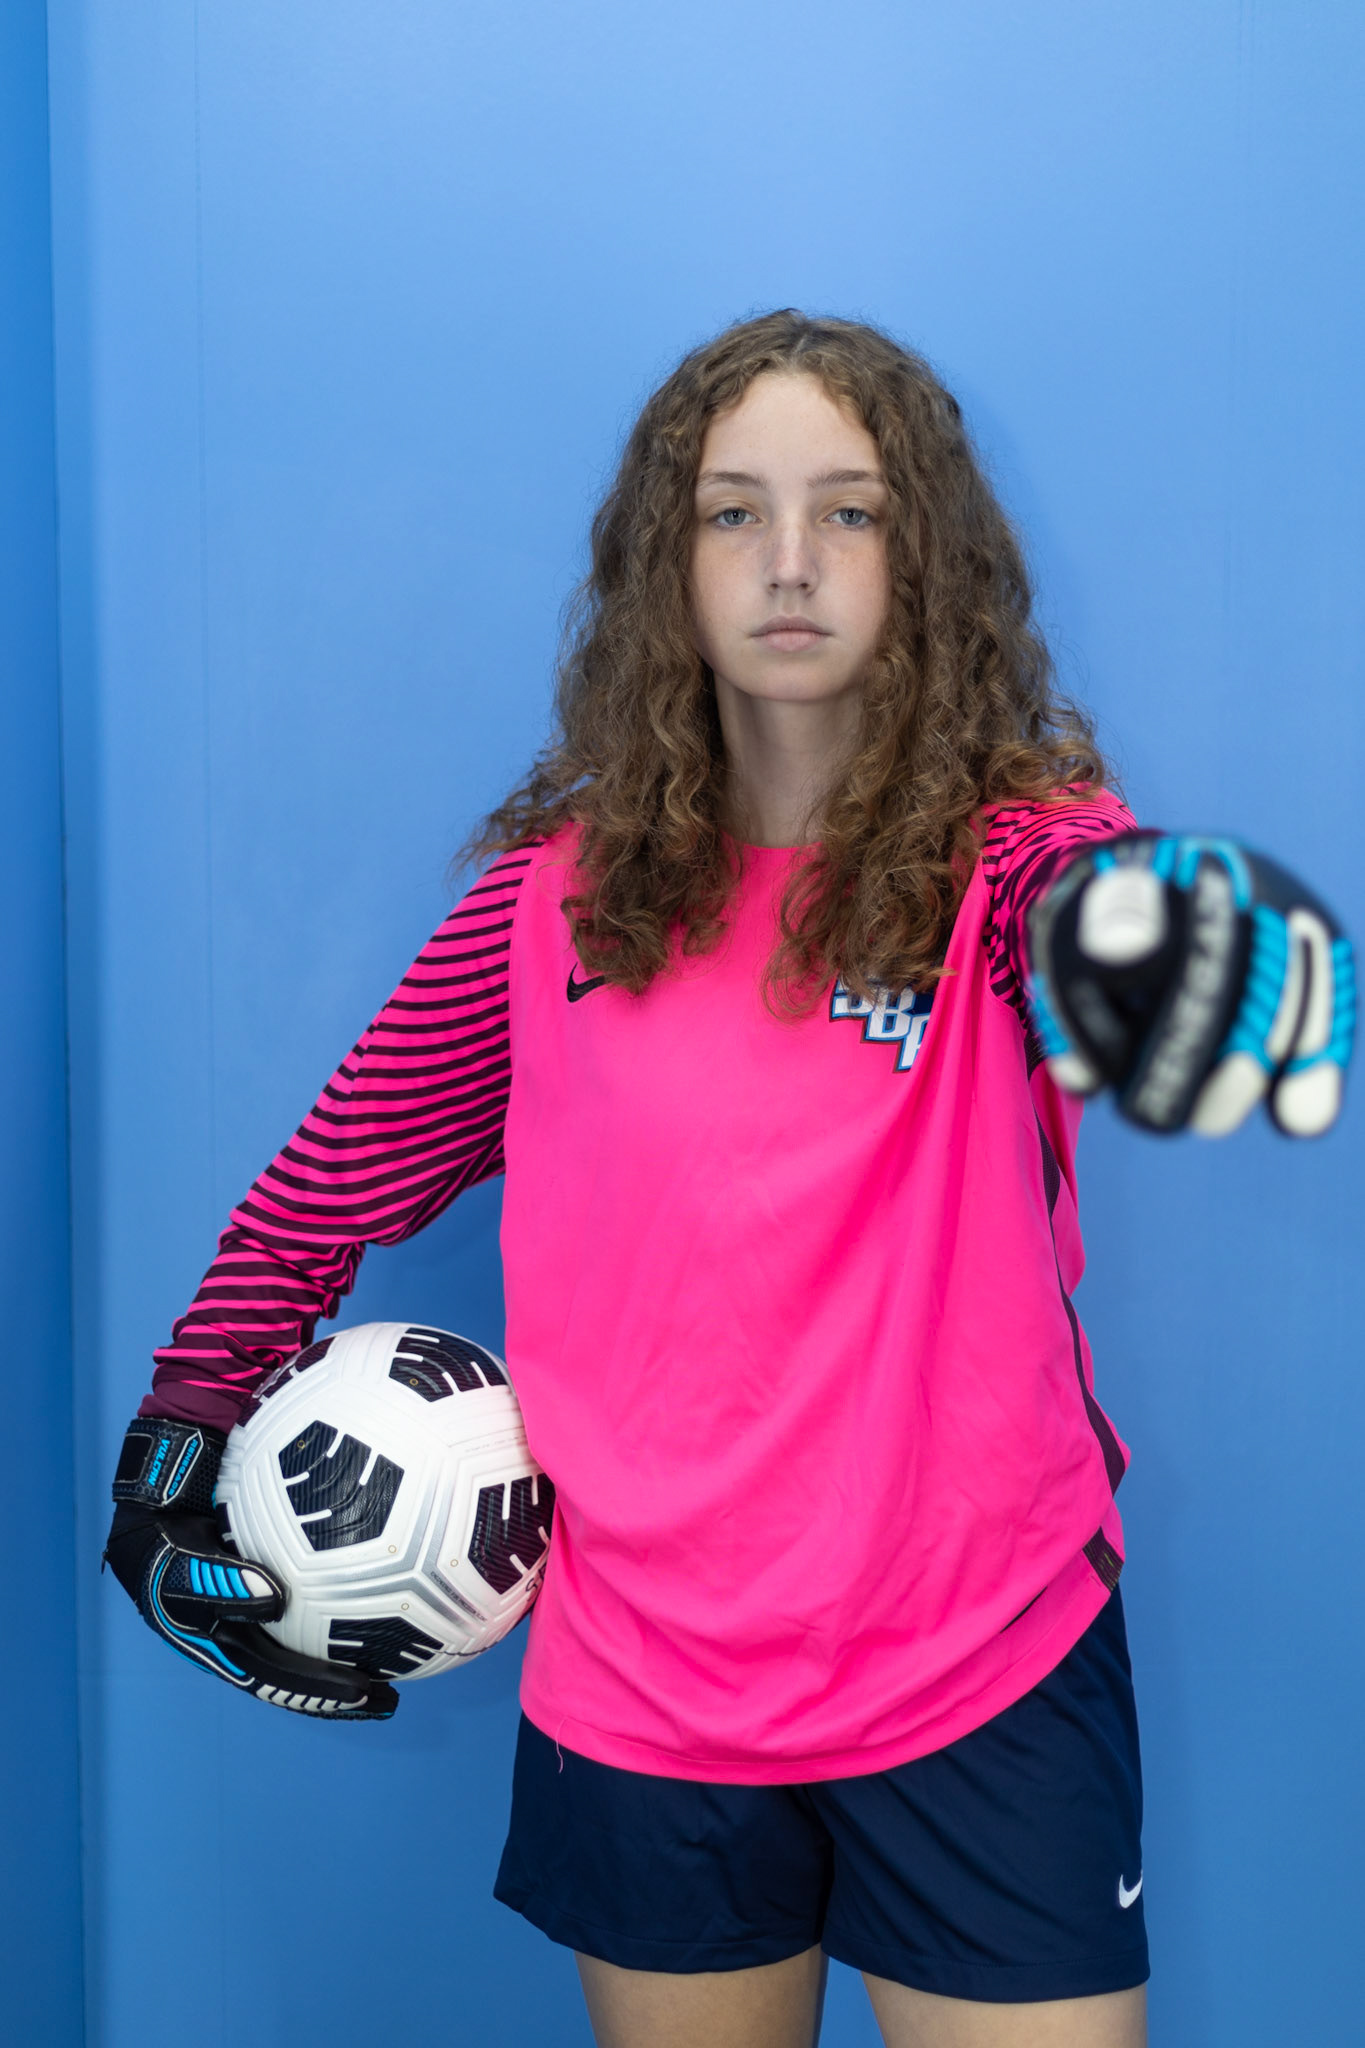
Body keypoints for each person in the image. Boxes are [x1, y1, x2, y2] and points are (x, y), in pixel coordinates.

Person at [104, 311, 1354, 2048]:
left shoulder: (1006, 867)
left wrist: (1166, 954)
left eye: (849, 512)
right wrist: (179, 1431)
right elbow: (329, 1181)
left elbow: (1092, 908)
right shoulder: (550, 906)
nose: (788, 563)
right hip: (646, 1695)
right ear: (663, 561)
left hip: (980, 1664)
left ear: (923, 558)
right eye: (730, 512)